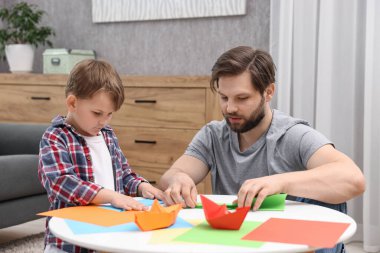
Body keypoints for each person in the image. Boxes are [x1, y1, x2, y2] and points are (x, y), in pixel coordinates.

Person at [159, 46, 365, 252]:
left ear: (268, 92)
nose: (230, 108)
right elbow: (171, 176)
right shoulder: (213, 135)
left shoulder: (292, 134)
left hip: (290, 245)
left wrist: (280, 183)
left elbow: (353, 179)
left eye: (242, 98)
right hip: (239, 244)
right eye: (224, 98)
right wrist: (178, 180)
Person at [38, 59, 163, 253]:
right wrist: (111, 196)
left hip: (109, 235)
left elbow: (123, 174)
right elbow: (60, 182)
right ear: (72, 103)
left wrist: (141, 186)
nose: (103, 121)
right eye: (97, 113)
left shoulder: (107, 134)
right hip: (69, 243)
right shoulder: (56, 136)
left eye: (109, 114)